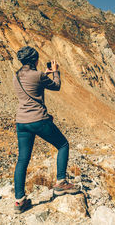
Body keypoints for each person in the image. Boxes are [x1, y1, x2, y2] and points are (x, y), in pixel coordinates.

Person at [13, 46, 78, 214]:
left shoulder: (17, 76)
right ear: (34, 60)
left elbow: (32, 82)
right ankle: (61, 183)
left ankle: (19, 201)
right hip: (38, 120)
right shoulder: (38, 75)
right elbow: (56, 86)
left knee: (22, 160)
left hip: (21, 122)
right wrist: (55, 72)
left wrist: (45, 72)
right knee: (63, 145)